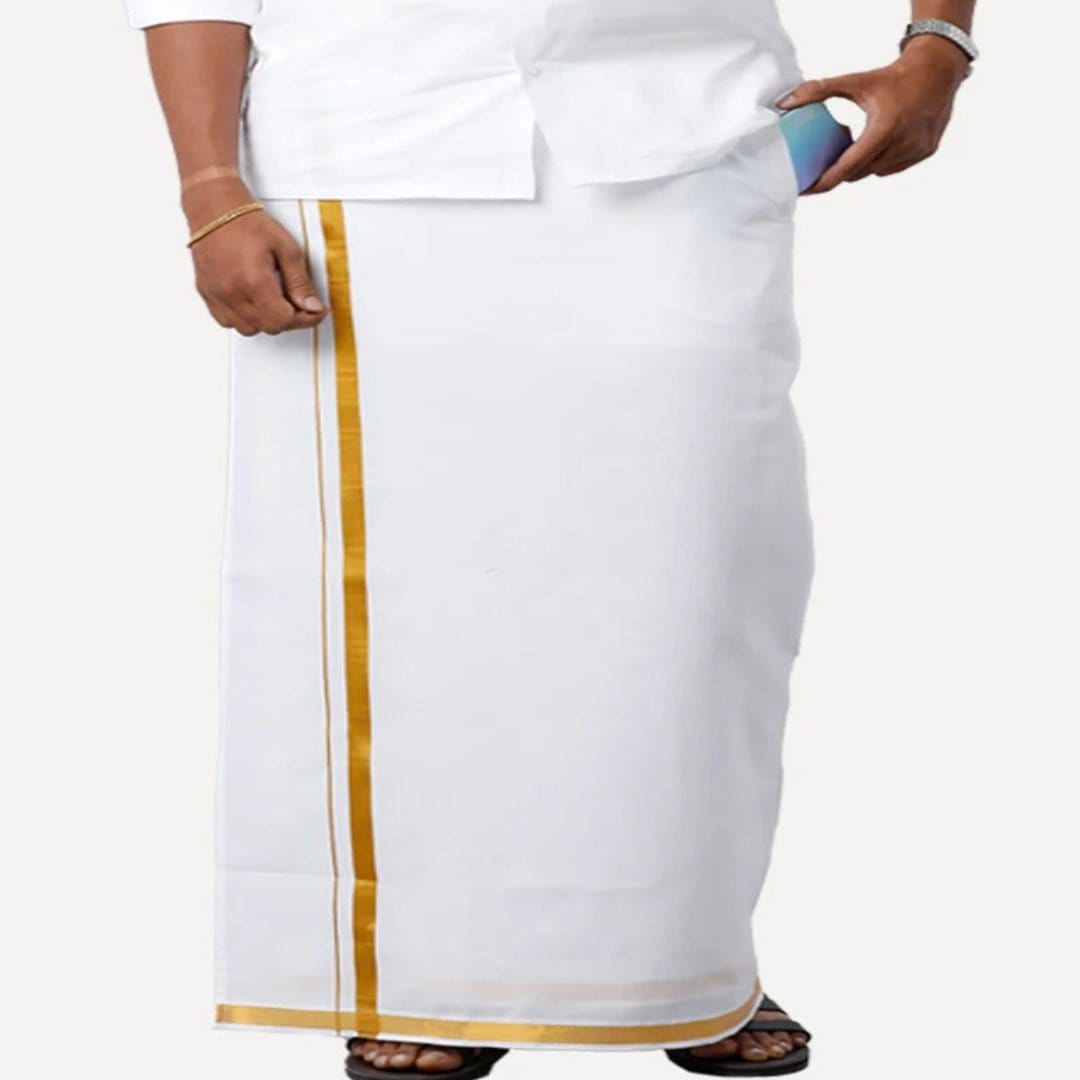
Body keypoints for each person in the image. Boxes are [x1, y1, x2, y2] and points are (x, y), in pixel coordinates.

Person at [127, 1, 977, 1075]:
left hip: (689, 137)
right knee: (421, 595)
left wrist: (940, 46)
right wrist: (210, 183)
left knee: (695, 589)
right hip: (377, 159)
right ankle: (427, 978)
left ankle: (690, 960)